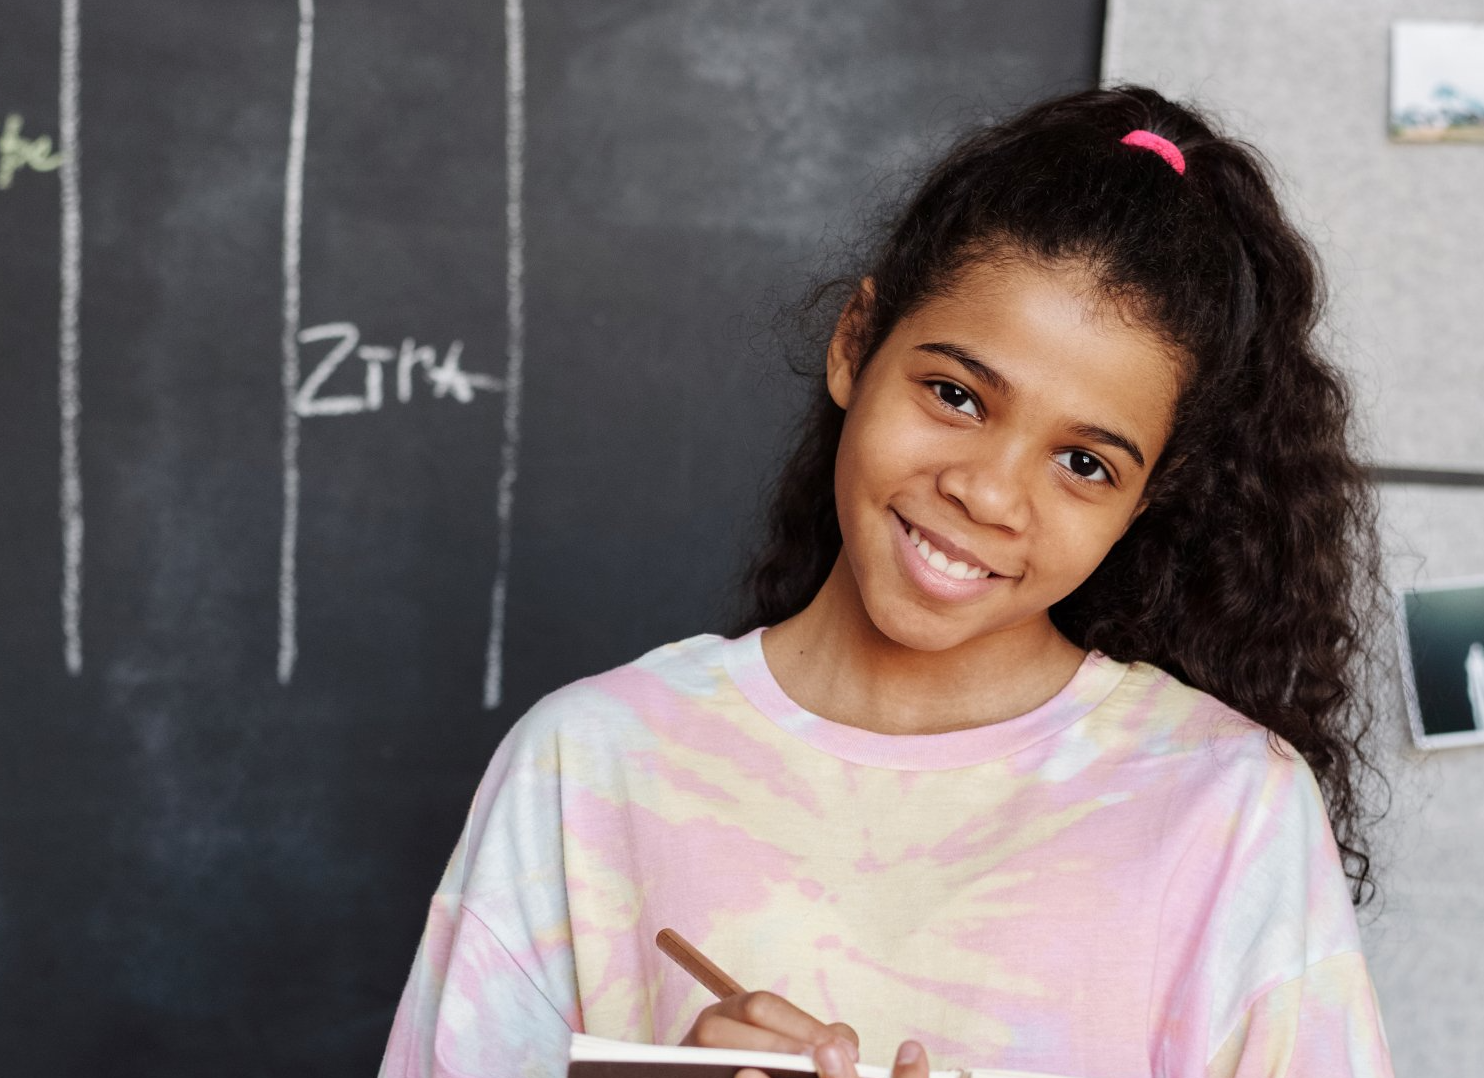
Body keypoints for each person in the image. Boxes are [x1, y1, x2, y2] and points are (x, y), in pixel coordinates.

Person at [378, 84, 1394, 1078]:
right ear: (855, 344)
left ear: (1144, 500)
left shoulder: (1224, 809)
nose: (988, 493)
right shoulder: (588, 763)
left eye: (1084, 463)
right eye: (955, 395)